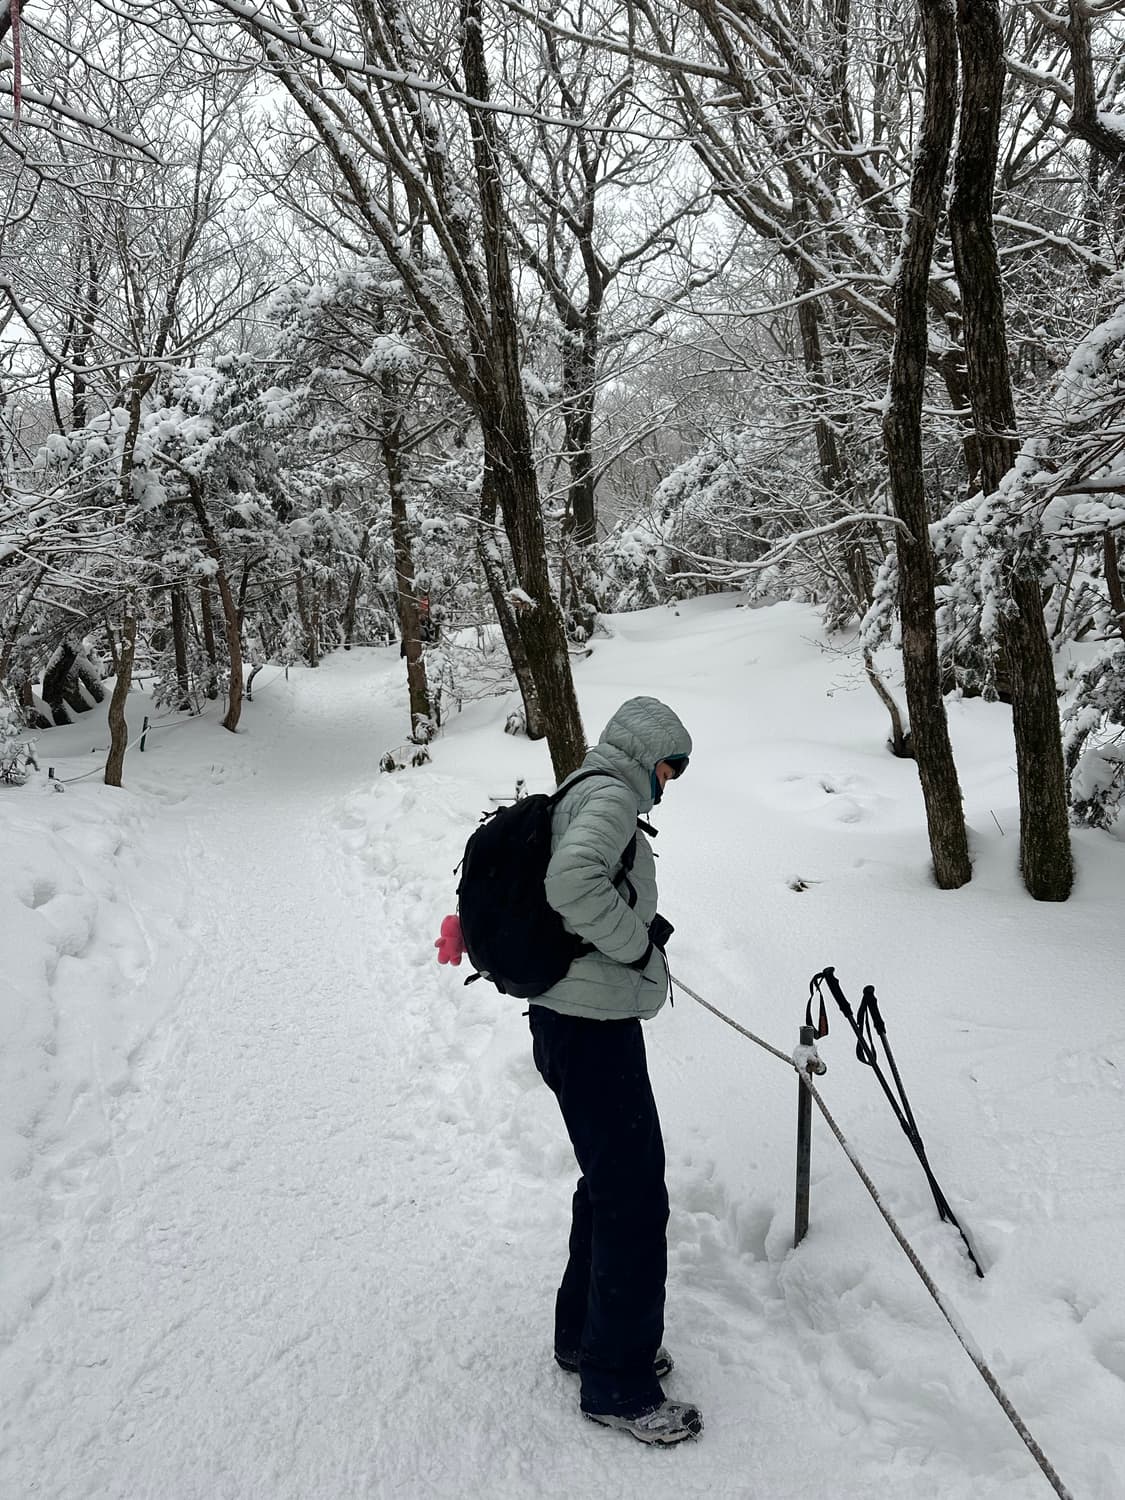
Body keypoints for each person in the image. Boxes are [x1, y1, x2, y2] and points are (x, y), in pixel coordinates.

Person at [528, 696, 703, 1446]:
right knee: (632, 1197)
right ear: (647, 754)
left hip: (572, 1018)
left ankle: (586, 1339)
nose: (669, 780)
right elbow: (571, 884)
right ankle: (620, 1385)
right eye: (670, 765)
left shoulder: (585, 788)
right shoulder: (609, 795)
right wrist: (635, 947)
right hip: (589, 1026)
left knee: (609, 1184)